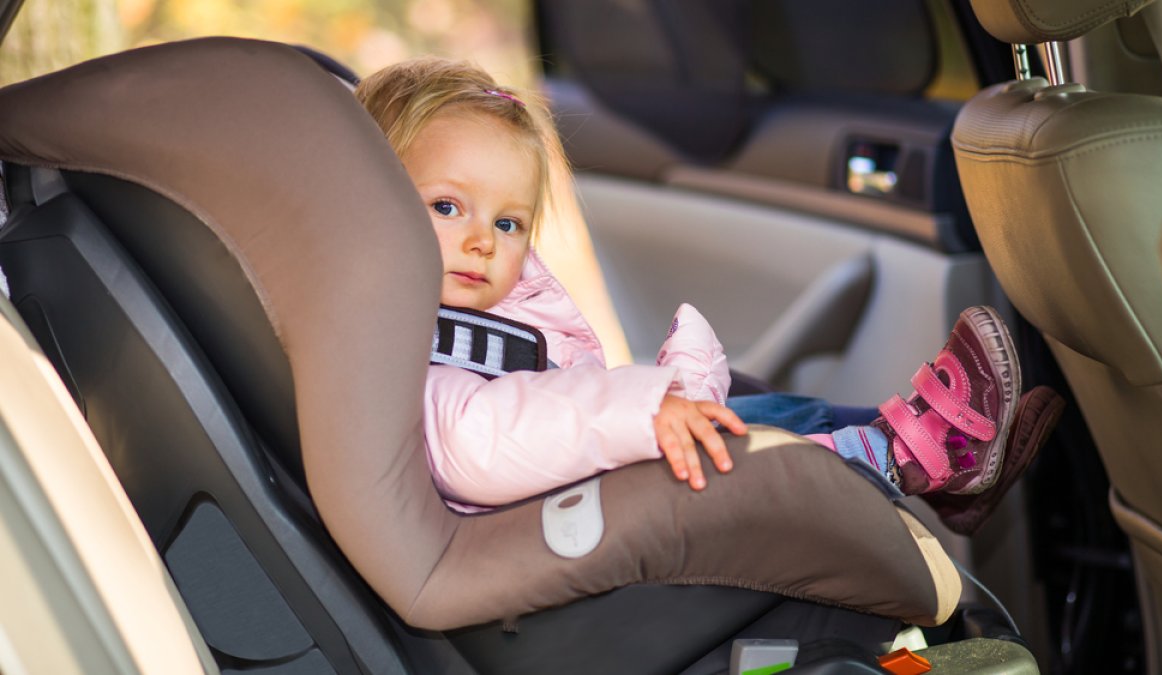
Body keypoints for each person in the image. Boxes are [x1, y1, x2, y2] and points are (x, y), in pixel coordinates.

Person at [354, 58, 1063, 534]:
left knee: (756, 408)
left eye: (509, 222)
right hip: (580, 516)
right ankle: (910, 453)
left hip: (585, 470)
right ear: (368, 204)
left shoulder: (450, 322)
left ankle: (929, 452)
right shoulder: (411, 358)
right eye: (447, 207)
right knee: (750, 448)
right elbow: (486, 437)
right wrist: (642, 407)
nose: (483, 241)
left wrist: (644, 402)